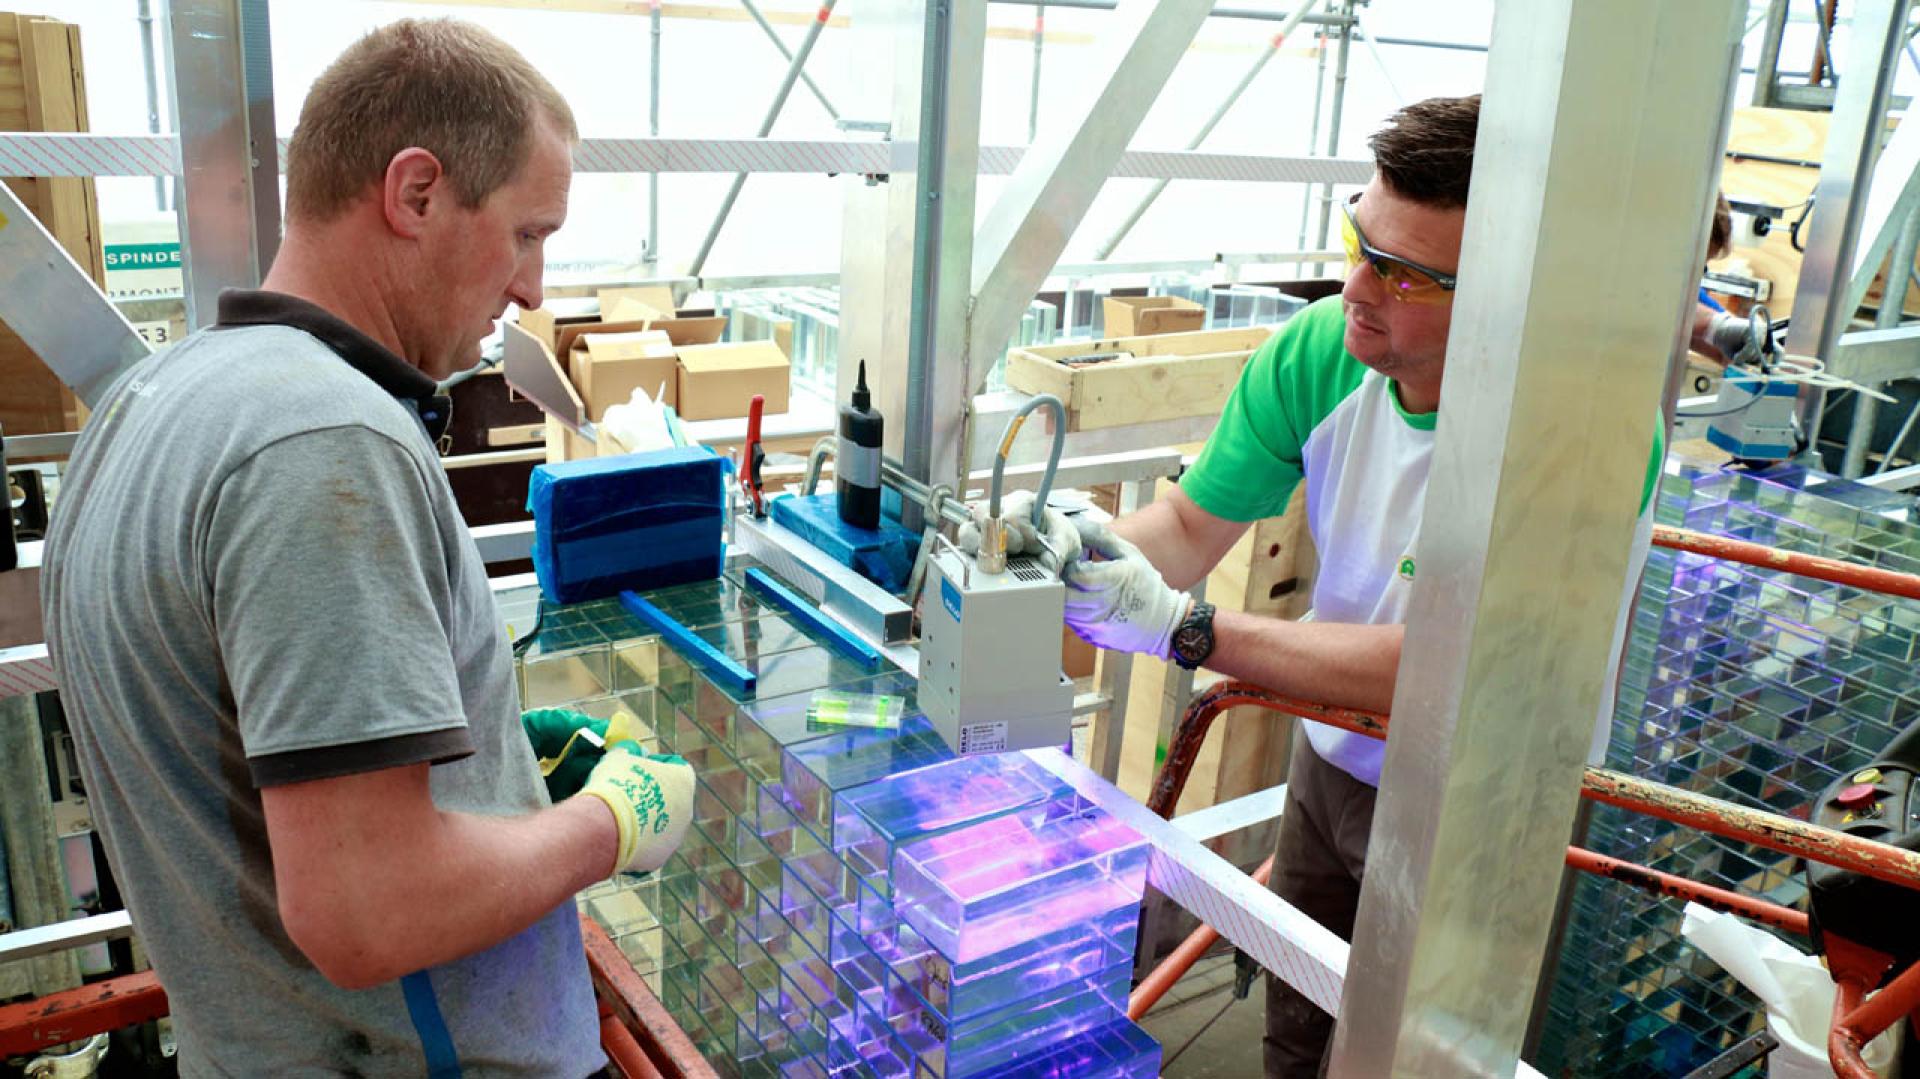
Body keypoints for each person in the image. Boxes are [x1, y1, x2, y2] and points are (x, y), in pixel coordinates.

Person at [40, 19, 692, 1077]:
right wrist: (609, 822)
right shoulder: (322, 443)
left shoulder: (154, 403)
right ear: (417, 191)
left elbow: (250, 744)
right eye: (527, 233)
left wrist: (486, 755)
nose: (532, 288)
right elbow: (365, 908)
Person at [1044, 95, 1662, 1078]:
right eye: (1359, 239)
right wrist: (1068, 551)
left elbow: (1446, 671)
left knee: (1403, 1060)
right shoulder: (1324, 348)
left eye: (1405, 273)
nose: (1357, 285)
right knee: (1296, 1027)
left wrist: (1187, 631)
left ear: (1508, 291)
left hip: (1483, 802)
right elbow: (1192, 527)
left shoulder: (1580, 435)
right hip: (1333, 757)